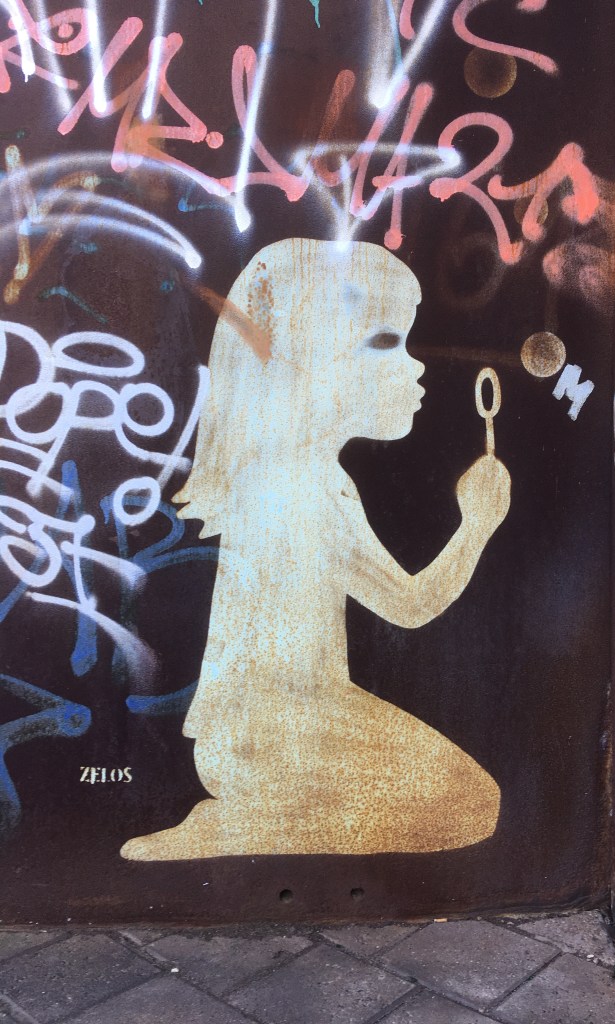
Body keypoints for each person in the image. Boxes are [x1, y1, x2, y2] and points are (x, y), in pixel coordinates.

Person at [121, 237, 511, 860]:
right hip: (270, 740)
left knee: (469, 801)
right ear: (306, 357)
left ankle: (247, 821)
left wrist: (477, 525)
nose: (414, 367)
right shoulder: (292, 486)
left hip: (289, 726)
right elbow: (411, 606)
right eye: (384, 343)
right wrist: (478, 526)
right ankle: (237, 826)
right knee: (467, 802)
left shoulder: (310, 478)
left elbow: (405, 604)